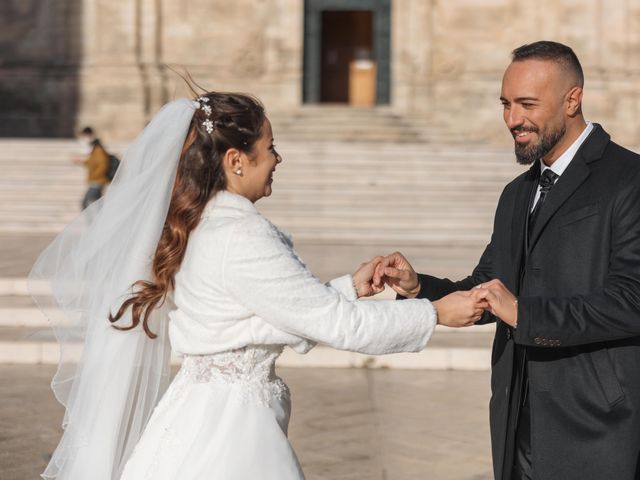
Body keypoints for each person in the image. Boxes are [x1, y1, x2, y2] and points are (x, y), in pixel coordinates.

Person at [30, 92, 486, 480]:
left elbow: (266, 310)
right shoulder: (239, 234)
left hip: (199, 410)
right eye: (270, 147)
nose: (277, 159)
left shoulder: (205, 222)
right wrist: (435, 313)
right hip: (230, 430)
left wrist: (350, 286)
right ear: (236, 161)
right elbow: (337, 325)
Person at [375, 41, 640, 480]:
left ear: (572, 99)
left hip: (598, 426)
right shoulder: (516, 193)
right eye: (506, 104)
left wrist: (525, 313)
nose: (513, 119)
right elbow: (488, 286)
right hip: (516, 420)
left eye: (527, 104)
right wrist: (419, 288)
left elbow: (632, 300)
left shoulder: (629, 180)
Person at [73, 126, 109, 209]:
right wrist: (82, 162)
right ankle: (99, 221)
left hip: (97, 182)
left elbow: (103, 165)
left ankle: (94, 221)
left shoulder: (98, 149)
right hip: (96, 181)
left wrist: (95, 176)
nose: (83, 139)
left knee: (85, 202)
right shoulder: (94, 149)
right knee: (98, 204)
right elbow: (93, 163)